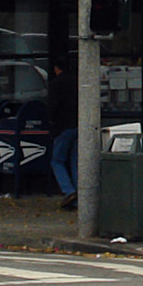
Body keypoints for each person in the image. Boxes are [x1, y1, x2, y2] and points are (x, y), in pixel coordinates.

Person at [47, 60, 80, 210]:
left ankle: (69, 191)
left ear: (56, 68)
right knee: (75, 162)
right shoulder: (77, 81)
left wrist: (51, 121)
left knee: (57, 160)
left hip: (63, 127)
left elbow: (53, 107)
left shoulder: (56, 83)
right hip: (78, 125)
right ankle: (79, 196)